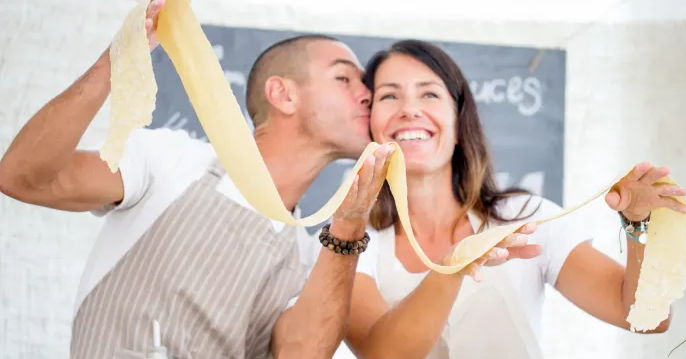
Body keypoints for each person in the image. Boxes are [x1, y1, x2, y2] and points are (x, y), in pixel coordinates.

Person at [0, 0, 392, 357]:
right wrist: (117, 61)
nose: (366, 95)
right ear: (282, 94)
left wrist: (348, 225)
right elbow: (23, 176)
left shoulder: (315, 259)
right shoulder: (169, 161)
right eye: (344, 79)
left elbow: (301, 354)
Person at [343, 39, 686, 358]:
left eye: (430, 95)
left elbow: (647, 317)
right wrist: (452, 267)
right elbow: (382, 355)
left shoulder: (525, 217)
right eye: (389, 96)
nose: (409, 110)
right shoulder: (351, 239)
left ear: (460, 122)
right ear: (370, 123)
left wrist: (639, 226)